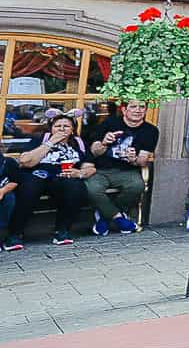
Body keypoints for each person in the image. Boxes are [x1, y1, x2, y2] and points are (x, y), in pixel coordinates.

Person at [6, 112, 89, 248]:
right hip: (38, 175)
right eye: (58, 126)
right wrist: (50, 143)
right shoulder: (40, 140)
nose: (61, 129)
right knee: (30, 187)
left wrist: (80, 173)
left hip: (63, 178)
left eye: (66, 126)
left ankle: (62, 231)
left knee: (76, 187)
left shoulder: (78, 143)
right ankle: (15, 234)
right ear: (51, 128)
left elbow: (90, 166)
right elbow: (25, 162)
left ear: (72, 129)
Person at [83, 99, 156, 235]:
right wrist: (104, 142)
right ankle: (118, 218)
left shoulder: (150, 130)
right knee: (92, 188)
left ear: (146, 110)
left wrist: (134, 159)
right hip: (100, 170)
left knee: (137, 186)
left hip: (127, 171)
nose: (137, 110)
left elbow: (142, 161)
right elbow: (94, 151)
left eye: (142, 107)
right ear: (124, 110)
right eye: (133, 106)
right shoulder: (109, 123)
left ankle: (104, 216)